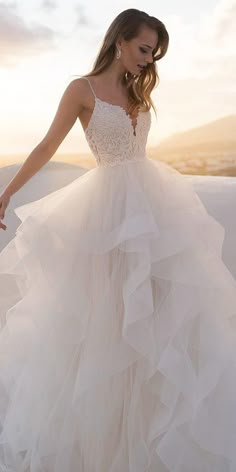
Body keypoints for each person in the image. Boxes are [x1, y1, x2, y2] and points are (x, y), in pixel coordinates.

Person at [0, 7, 236, 472]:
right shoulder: (81, 90)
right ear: (120, 40)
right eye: (145, 49)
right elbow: (47, 146)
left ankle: (148, 440)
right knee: (109, 323)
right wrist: (5, 195)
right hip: (106, 216)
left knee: (159, 321)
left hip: (153, 212)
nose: (149, 62)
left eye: (154, 55)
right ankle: (104, 447)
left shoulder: (136, 89)